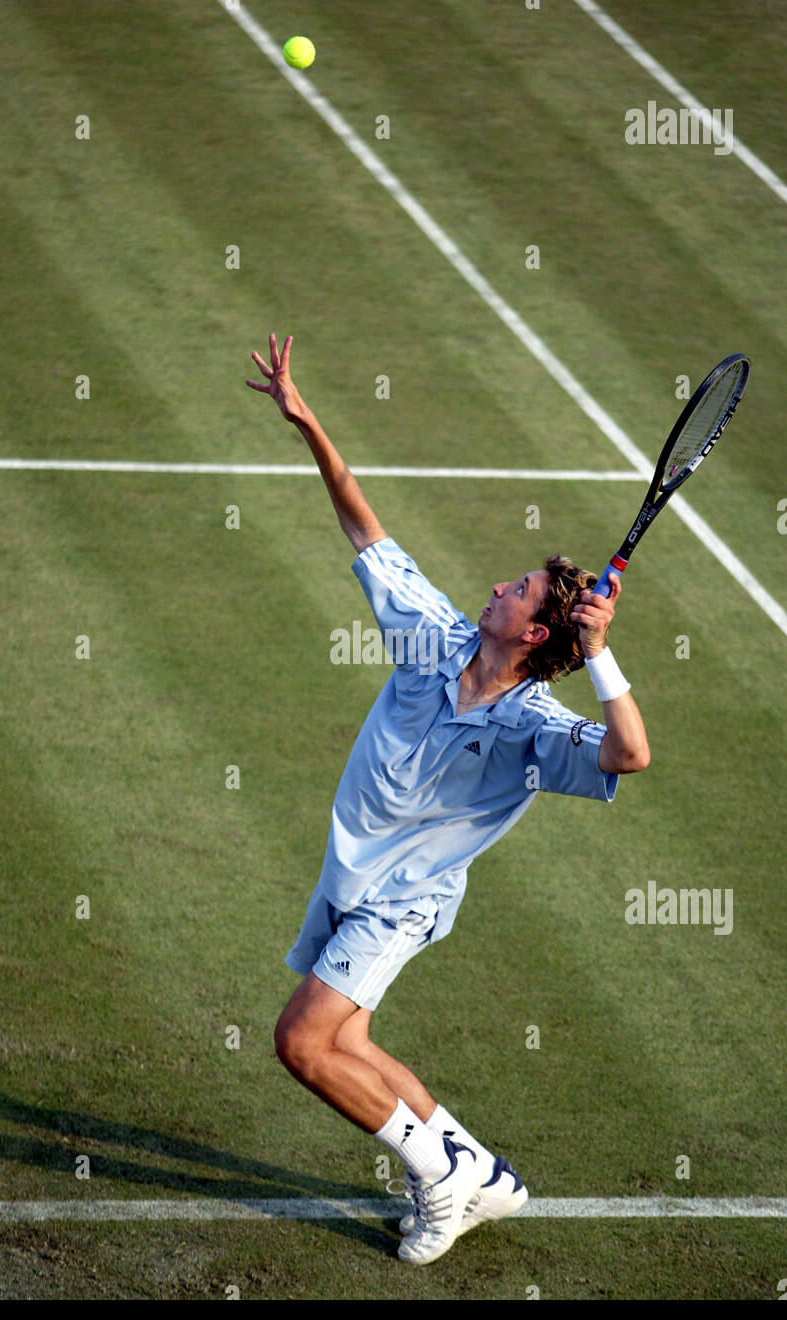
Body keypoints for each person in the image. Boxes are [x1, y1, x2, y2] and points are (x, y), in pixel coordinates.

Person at [246, 334, 650, 1265]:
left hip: (405, 899)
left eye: (516, 588)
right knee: (349, 1039)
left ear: (537, 628)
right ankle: (479, 1171)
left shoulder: (536, 730)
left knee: (303, 1044)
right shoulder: (432, 635)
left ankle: (439, 1179)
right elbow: (363, 528)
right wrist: (308, 423)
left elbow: (629, 754)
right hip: (353, 873)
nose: (496, 585)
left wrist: (599, 656)